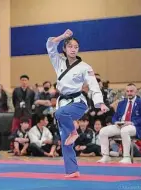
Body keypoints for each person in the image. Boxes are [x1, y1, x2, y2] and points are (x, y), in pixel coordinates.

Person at [46, 29, 108, 177]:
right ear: (65, 48)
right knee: (65, 139)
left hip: (78, 102)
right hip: (63, 101)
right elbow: (49, 44)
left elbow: (93, 85)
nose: (73, 49)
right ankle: (72, 171)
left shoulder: (85, 67)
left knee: (60, 113)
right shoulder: (58, 61)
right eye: (70, 46)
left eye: (76, 47)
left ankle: (74, 131)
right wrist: (62, 36)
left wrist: (100, 103)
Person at [98, 83, 141, 164]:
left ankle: (126, 157)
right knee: (103, 131)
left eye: (131, 91)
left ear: (136, 92)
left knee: (125, 130)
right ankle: (106, 156)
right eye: (127, 91)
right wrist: (116, 122)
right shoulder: (121, 103)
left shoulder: (140, 102)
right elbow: (115, 116)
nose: (129, 93)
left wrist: (131, 123)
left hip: (134, 126)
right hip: (121, 125)